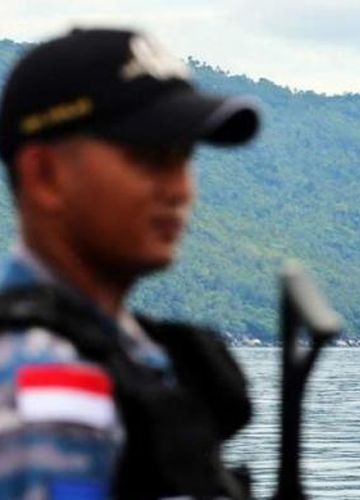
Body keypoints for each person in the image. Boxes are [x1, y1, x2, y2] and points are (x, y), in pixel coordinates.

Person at [0, 27, 260, 499]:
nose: (180, 190)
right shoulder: (46, 394)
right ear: (44, 175)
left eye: (184, 157)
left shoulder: (116, 351)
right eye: (150, 157)